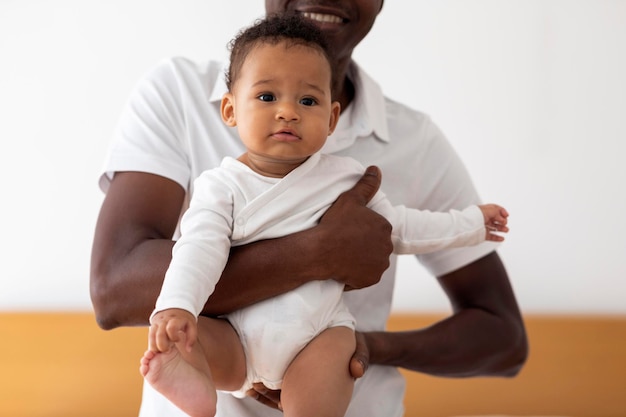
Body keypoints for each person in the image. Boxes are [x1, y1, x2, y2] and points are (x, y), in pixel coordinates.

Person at [90, 1, 529, 416]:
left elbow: (405, 229)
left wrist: (472, 224)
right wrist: (319, 252)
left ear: (332, 118)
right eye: (265, 98)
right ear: (229, 109)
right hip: (237, 341)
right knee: (191, 339)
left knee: (331, 353)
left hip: (321, 337)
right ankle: (192, 382)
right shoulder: (214, 172)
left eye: (308, 101)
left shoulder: (357, 172)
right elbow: (162, 267)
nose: (287, 113)